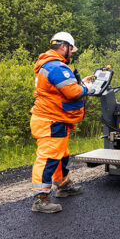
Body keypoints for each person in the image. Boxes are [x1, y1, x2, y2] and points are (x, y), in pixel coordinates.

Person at [29, 31, 96, 214]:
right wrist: (86, 88)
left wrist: (81, 82)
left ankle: (63, 185)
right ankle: (40, 198)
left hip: (55, 119)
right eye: (71, 50)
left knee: (60, 154)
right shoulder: (56, 67)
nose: (71, 53)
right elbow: (73, 93)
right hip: (50, 120)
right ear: (64, 47)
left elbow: (62, 88)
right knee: (49, 157)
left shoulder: (51, 66)